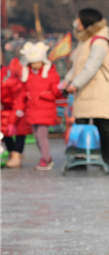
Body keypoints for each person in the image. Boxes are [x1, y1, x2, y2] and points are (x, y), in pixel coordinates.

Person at [60, 8, 109, 169]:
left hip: (99, 90)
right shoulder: (85, 41)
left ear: (87, 22)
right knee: (80, 124)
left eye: (79, 19)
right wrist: (66, 82)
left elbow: (91, 67)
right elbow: (77, 67)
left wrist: (74, 84)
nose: (76, 22)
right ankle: (80, 157)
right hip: (85, 91)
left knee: (104, 124)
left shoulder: (100, 41)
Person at [18, 41, 62, 170]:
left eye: (38, 62)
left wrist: (45, 94)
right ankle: (45, 156)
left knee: (42, 136)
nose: (35, 65)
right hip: (32, 110)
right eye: (33, 63)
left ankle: (46, 159)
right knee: (37, 136)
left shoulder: (51, 75)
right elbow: (23, 93)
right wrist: (20, 107)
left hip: (45, 110)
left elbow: (56, 93)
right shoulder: (28, 76)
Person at [1, 56, 28, 169]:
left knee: (19, 131)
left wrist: (13, 119)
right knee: (5, 130)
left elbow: (18, 99)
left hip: (18, 107)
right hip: (6, 108)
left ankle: (16, 155)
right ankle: (12, 153)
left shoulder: (10, 78)